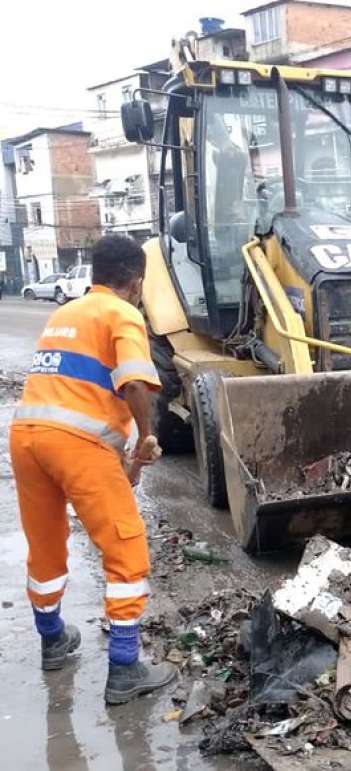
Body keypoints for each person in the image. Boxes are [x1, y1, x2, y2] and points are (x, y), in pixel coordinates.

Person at [10, 234, 177, 704]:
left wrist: (126, 459)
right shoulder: (122, 313)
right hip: (76, 445)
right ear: (136, 281)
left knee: (45, 544)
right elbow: (135, 383)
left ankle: (53, 640)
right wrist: (145, 439)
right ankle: (125, 668)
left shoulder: (66, 313)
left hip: (27, 439)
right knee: (126, 549)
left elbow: (76, 387)